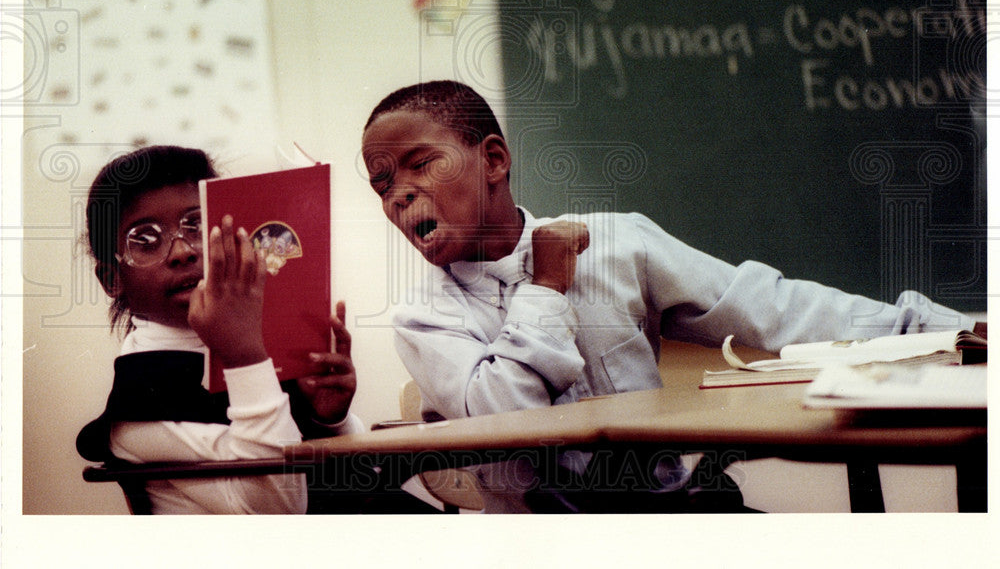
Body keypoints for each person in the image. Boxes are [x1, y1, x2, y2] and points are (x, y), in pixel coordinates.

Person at [361, 80, 986, 513]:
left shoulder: (613, 244)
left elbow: (769, 307)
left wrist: (937, 329)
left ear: (493, 159)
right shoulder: (423, 318)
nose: (400, 194)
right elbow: (512, 415)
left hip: (670, 518)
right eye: (383, 183)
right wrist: (546, 288)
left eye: (421, 164)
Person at [76, 145, 362, 514]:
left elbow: (359, 479)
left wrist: (330, 420)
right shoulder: (136, 411)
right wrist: (244, 356)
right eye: (145, 240)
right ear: (112, 279)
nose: (181, 251)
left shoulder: (268, 340)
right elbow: (275, 514)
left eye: (196, 225)